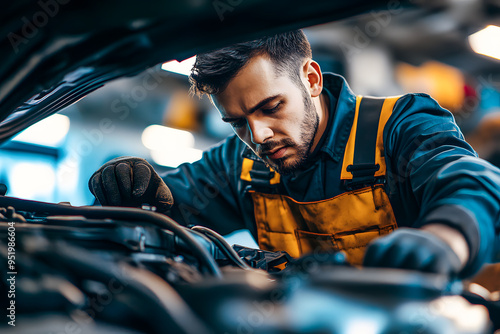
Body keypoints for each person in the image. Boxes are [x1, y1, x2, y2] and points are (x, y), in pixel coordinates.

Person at [89, 30, 500, 278]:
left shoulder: (400, 126)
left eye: (271, 108)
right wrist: (130, 192)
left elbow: (470, 183)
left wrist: (445, 240)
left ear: (311, 78)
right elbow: (165, 207)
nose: (259, 135)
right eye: (237, 122)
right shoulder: (239, 163)